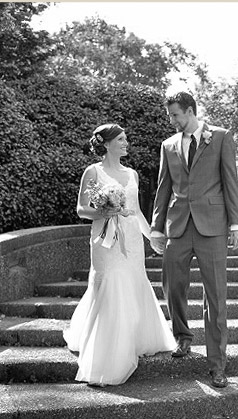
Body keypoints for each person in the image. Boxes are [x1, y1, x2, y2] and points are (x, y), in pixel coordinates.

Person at [64, 124, 177, 386]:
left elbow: (136, 212)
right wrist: (105, 211)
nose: (126, 143)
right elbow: (82, 209)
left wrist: (153, 237)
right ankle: (107, 351)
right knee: (109, 283)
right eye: (121, 139)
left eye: (127, 138)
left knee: (132, 281)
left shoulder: (132, 174)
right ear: (107, 144)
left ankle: (132, 338)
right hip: (104, 239)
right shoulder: (93, 172)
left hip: (131, 242)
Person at [150, 92, 238, 388]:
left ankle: (218, 365)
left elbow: (230, 181)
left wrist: (237, 224)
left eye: (176, 115)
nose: (172, 121)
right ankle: (182, 338)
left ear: (190, 111)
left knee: (215, 296)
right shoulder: (168, 145)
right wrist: (156, 228)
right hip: (178, 226)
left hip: (213, 227)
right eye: (170, 117)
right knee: (172, 284)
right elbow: (163, 188)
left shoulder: (220, 137)